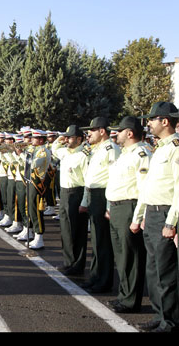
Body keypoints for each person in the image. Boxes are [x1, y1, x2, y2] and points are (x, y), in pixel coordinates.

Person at [131, 102, 179, 332]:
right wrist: (141, 214)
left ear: (165, 121)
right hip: (152, 212)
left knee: (166, 272)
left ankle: (170, 321)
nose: (148, 123)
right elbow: (149, 185)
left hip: (165, 214)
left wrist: (172, 222)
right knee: (153, 270)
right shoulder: (159, 147)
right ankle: (160, 316)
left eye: (152, 119)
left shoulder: (175, 147)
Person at [105, 116, 151, 313]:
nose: (117, 134)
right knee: (121, 256)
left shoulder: (141, 153)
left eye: (120, 131)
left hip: (129, 208)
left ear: (130, 133)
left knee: (131, 257)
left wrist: (138, 218)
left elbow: (144, 188)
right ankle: (124, 296)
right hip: (116, 208)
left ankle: (131, 301)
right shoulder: (125, 153)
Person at [79, 117, 121, 293]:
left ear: (102, 131)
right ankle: (95, 276)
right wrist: (86, 201)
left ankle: (104, 281)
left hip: (104, 195)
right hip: (94, 195)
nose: (89, 134)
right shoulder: (98, 149)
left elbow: (114, 177)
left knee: (103, 241)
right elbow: (90, 178)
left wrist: (109, 206)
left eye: (92, 130)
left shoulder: (112, 149)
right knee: (96, 240)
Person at [51, 125, 89, 275]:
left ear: (79, 139)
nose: (66, 139)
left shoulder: (84, 155)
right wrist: (59, 140)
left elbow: (88, 181)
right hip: (65, 193)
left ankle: (77, 265)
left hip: (77, 193)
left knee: (77, 231)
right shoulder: (65, 152)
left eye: (70, 137)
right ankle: (68, 262)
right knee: (66, 230)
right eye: (65, 137)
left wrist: (85, 202)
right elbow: (54, 149)